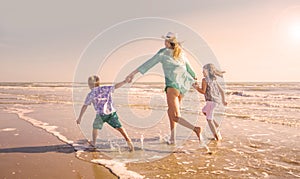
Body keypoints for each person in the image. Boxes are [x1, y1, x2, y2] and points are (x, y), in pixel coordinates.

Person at [126, 32, 202, 144]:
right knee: (170, 111)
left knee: (175, 116)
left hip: (172, 87)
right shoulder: (181, 53)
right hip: (183, 87)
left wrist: (132, 73)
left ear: (167, 42)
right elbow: (191, 71)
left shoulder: (163, 53)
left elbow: (148, 64)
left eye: (165, 41)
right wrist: (195, 82)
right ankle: (172, 138)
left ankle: (196, 129)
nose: (164, 42)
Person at [76, 75, 134, 151]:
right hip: (111, 113)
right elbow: (116, 86)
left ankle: (94, 143)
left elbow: (85, 106)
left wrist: (80, 118)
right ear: (98, 83)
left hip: (101, 115)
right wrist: (124, 81)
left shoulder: (91, 94)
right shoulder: (106, 88)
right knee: (119, 127)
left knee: (95, 127)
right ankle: (128, 139)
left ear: (90, 84)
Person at [192, 63, 227, 141]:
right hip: (216, 102)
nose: (202, 72)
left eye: (203, 71)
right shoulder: (214, 80)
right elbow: (222, 91)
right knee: (204, 111)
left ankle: (217, 138)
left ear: (208, 71)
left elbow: (203, 91)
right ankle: (216, 125)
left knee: (209, 119)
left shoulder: (204, 80)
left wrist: (196, 87)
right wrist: (223, 101)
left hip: (210, 102)